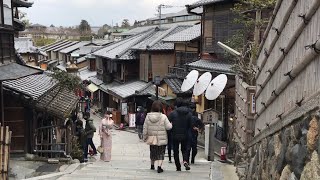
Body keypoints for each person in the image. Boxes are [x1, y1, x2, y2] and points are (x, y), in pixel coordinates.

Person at [143, 101, 172, 173]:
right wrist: (171, 124)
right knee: (161, 153)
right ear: (161, 108)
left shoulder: (148, 116)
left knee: (153, 152)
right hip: (162, 139)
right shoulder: (163, 116)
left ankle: (152, 165)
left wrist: (144, 137)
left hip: (152, 138)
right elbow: (168, 127)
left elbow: (145, 128)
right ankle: (159, 167)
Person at [168, 98, 193, 171]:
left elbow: (168, 123)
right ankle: (185, 160)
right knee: (184, 149)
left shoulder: (172, 113)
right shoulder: (189, 114)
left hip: (174, 134)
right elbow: (191, 125)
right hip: (185, 134)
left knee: (176, 151)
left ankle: (178, 166)